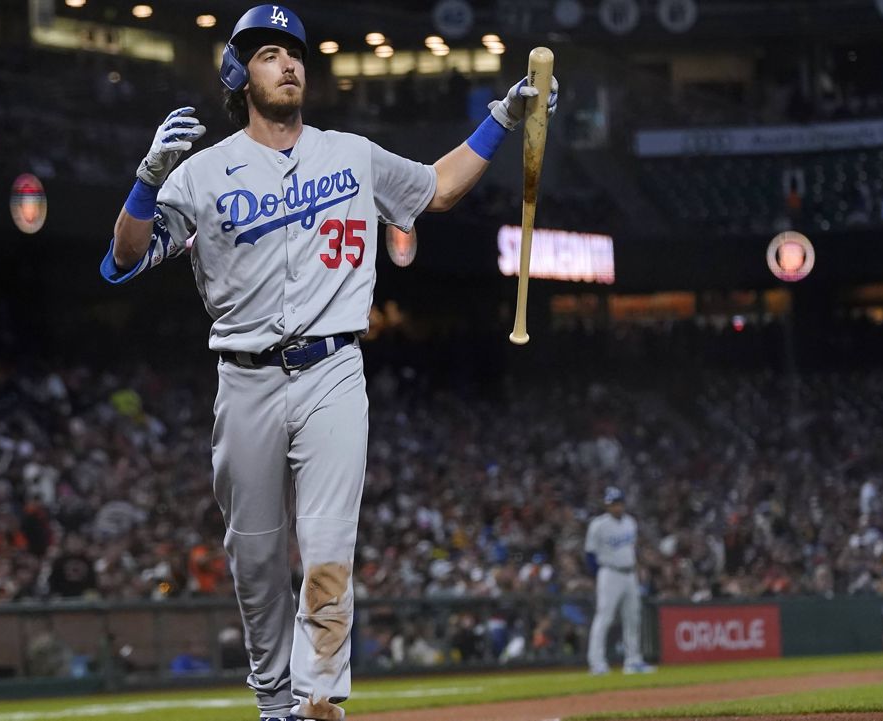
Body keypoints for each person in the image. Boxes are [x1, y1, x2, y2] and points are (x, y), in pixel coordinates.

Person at [102, 5, 558, 719]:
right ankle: (275, 702)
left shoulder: (349, 152)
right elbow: (124, 258)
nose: (288, 63)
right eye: (267, 54)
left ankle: (320, 697)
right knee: (255, 558)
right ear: (237, 74)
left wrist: (501, 117)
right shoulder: (200, 173)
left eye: (295, 52)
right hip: (244, 376)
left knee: (326, 542)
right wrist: (146, 178)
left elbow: (436, 188)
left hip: (333, 369)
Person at [584, 486, 655, 675]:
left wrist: (638, 568)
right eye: (612, 504)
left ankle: (633, 660)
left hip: (630, 574)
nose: (615, 507)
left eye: (618, 503)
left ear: (623, 504)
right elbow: (590, 555)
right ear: (607, 506)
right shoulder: (598, 525)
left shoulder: (630, 522)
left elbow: (632, 549)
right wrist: (598, 575)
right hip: (609, 573)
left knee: (633, 617)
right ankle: (596, 662)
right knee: (604, 617)